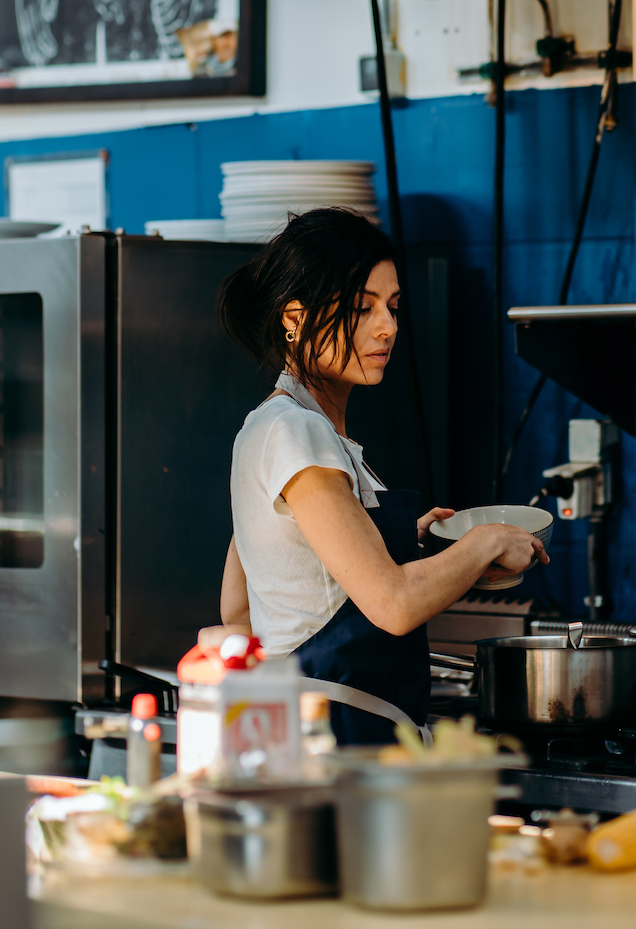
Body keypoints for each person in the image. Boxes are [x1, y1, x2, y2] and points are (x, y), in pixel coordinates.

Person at [210, 207, 548, 744]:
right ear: (294, 320)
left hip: (309, 734)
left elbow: (241, 602)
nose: (387, 327)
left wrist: (403, 541)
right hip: (336, 740)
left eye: (392, 307)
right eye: (362, 309)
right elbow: (393, 604)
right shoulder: (298, 434)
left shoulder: (275, 427)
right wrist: (485, 542)